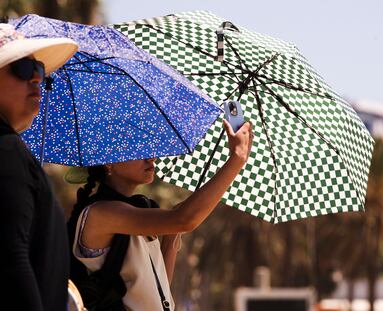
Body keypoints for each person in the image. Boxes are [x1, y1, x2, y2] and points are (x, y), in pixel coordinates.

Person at [66, 119, 253, 311]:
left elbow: (159, 289)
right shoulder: (101, 213)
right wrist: (237, 158)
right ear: (108, 163)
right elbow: (185, 220)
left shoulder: (138, 209)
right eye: (139, 148)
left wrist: (173, 232)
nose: (151, 157)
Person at [0, 23, 78, 310]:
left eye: (39, 70)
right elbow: (10, 257)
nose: (35, 78)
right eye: (21, 68)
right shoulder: (6, 150)